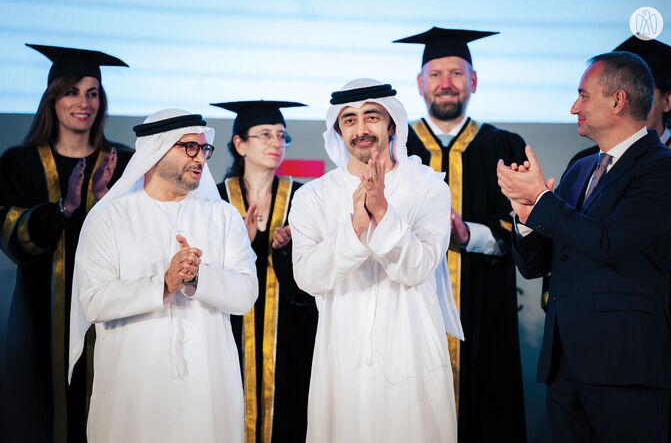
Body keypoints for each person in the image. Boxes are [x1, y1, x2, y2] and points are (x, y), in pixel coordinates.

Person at [498, 52, 671, 442]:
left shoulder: (664, 169)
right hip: (565, 365)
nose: (573, 107)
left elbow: (610, 242)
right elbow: (539, 264)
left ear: (617, 101)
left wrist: (544, 202)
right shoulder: (581, 168)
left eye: (583, 95)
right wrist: (527, 213)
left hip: (625, 368)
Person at [67, 109, 258, 442]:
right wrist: (164, 284)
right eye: (190, 148)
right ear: (156, 150)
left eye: (204, 149)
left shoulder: (223, 216)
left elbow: (245, 294)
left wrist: (198, 278)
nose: (200, 157)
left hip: (206, 389)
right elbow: (93, 301)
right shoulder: (108, 218)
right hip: (135, 393)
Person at [289, 78, 464, 442]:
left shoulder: (429, 187)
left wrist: (383, 213)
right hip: (342, 350)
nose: (361, 129)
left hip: (412, 347)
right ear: (338, 130)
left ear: (392, 125)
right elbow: (308, 277)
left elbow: (417, 267)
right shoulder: (312, 197)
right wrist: (355, 228)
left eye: (372, 117)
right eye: (349, 120)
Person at [393, 26, 527, 442]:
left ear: (473, 81)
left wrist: (467, 234)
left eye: (456, 73)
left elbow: (521, 229)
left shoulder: (505, 145)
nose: (445, 83)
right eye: (435, 74)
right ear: (419, 84)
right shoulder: (396, 144)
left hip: (483, 306)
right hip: (407, 306)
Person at [0, 44, 132, 443]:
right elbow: (12, 240)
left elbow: (146, 239)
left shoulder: (124, 164)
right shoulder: (18, 163)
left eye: (92, 92)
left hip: (112, 316)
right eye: (72, 91)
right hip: (42, 316)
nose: (83, 102)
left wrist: (110, 203)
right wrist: (64, 208)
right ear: (52, 99)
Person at [211, 100, 318, 443]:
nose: (276, 142)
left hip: (290, 337)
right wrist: (241, 245)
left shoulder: (303, 199)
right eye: (265, 135)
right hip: (228, 335)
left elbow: (312, 285)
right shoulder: (214, 202)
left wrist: (284, 253)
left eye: (282, 136)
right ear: (240, 144)